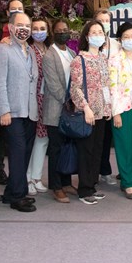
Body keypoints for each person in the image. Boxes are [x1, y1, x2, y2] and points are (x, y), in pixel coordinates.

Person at [0, 12, 39, 213]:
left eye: (28, 26)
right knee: (17, 153)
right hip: (12, 111)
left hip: (30, 111)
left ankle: (12, 191)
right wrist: (3, 110)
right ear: (10, 28)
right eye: (20, 25)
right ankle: (18, 196)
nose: (24, 29)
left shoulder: (31, 51)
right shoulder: (2, 50)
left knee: (25, 152)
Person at [69, 20, 112, 204]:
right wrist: (85, 108)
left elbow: (106, 86)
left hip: (102, 111)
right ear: (87, 37)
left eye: (100, 32)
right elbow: (75, 88)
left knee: (97, 150)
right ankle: (84, 189)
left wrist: (108, 107)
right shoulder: (79, 60)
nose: (97, 35)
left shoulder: (103, 58)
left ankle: (92, 185)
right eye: (93, 32)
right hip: (87, 112)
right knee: (86, 151)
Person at [0, 0, 25, 184]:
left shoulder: (25, 34)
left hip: (21, 100)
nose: (17, 11)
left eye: (20, 8)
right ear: (7, 13)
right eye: (13, 9)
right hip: (2, 96)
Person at [108, 23, 132, 199]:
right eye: (126, 37)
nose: (130, 40)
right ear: (120, 39)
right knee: (123, 146)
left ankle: (129, 179)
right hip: (122, 108)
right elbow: (112, 87)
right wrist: (115, 112)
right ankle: (127, 182)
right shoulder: (115, 60)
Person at [42, 18, 77, 203]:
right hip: (56, 110)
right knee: (56, 149)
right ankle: (56, 186)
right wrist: (68, 100)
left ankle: (66, 182)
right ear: (53, 33)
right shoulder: (49, 55)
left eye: (66, 29)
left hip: (70, 110)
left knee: (67, 147)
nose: (64, 32)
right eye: (59, 30)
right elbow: (53, 84)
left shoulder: (71, 52)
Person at [94, 8, 120, 186]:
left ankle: (105, 170)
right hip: (95, 96)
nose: (104, 24)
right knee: (95, 136)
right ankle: (91, 171)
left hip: (113, 96)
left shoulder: (116, 44)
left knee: (107, 137)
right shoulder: (90, 43)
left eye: (107, 20)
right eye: (100, 20)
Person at [26, 18, 51, 196]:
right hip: (33, 99)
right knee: (32, 140)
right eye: (35, 28)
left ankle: (36, 177)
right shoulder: (28, 50)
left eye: (42, 28)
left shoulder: (48, 50)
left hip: (48, 100)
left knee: (43, 140)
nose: (39, 31)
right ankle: (27, 178)